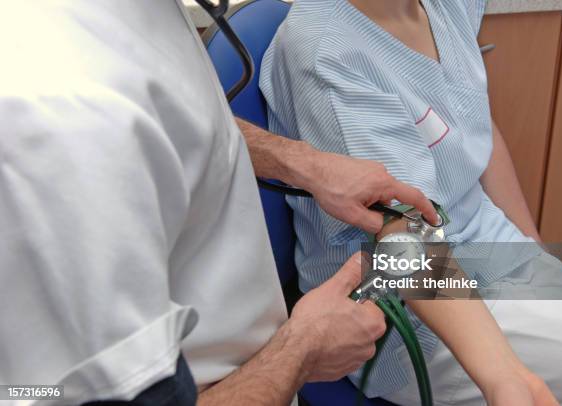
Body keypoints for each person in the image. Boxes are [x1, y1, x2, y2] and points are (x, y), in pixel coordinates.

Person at [0, 1, 438, 405]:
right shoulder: (62, 113)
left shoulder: (134, 19)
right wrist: (302, 350)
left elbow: (166, 121)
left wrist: (299, 160)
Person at [260, 0, 562, 405]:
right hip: (409, 314)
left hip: (491, 257)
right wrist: (505, 376)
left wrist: (534, 253)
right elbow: (400, 232)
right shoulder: (327, 49)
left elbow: (473, 119)